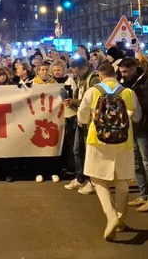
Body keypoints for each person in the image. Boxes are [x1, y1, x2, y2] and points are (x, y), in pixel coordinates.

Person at [77, 61, 142, 241]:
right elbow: (137, 117)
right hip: (123, 141)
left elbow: (82, 116)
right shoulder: (128, 92)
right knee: (122, 181)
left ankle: (111, 215)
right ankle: (120, 220)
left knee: (98, 181)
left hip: (97, 140)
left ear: (100, 76)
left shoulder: (93, 91)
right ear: (115, 74)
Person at [117, 57, 148, 212]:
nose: (123, 74)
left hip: (144, 128)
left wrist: (133, 98)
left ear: (134, 69)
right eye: (121, 71)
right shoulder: (125, 83)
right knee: (136, 163)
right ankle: (143, 194)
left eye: (125, 71)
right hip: (131, 128)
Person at [65, 57, 99, 195]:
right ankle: (80, 178)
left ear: (84, 68)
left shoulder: (93, 80)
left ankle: (93, 182)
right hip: (80, 119)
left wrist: (74, 101)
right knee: (78, 151)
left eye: (76, 71)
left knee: (89, 152)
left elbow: (90, 101)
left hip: (90, 122)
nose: (75, 74)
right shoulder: (81, 79)